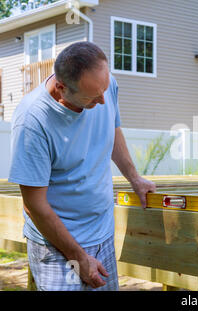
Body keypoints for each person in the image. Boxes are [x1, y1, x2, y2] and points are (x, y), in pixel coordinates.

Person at [8, 41, 155, 291]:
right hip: (57, 246)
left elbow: (112, 130)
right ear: (62, 88)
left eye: (104, 89)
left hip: (103, 235)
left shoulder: (103, 86)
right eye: (92, 97)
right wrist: (78, 258)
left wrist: (135, 178)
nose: (103, 100)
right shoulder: (33, 121)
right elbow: (35, 206)